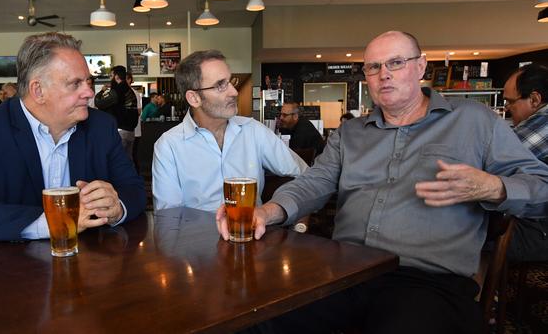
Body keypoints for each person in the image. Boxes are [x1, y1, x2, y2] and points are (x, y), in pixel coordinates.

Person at [216, 31, 548, 334]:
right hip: (342, 273)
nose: (383, 73)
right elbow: (314, 182)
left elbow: (541, 186)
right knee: (251, 320)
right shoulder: (351, 133)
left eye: (396, 63)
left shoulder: (474, 122)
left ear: (421, 67)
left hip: (427, 282)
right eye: (373, 67)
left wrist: (493, 187)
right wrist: (268, 211)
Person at [0, 32, 146, 242]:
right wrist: (56, 223)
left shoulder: (100, 126)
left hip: (90, 263)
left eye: (88, 81)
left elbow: (134, 190)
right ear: (38, 90)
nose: (89, 93)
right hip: (9, 267)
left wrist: (116, 207)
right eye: (75, 84)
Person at [152, 50, 307, 211]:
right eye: (220, 85)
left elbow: (307, 176)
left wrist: (279, 210)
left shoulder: (253, 131)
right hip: (197, 235)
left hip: (251, 233)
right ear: (194, 98)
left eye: (230, 82)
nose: (234, 92)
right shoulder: (169, 146)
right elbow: (169, 217)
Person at [503, 64, 548, 262]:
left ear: (535, 99)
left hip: (541, 230)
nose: (506, 108)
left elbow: (497, 157)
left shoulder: (544, 122)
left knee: (468, 235)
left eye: (510, 101)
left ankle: (479, 291)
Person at [96, 65, 138, 159]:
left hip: (121, 131)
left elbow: (99, 103)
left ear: (116, 76)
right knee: (128, 161)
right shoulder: (129, 90)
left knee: (117, 161)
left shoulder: (118, 91)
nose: (110, 78)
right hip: (130, 132)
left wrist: (101, 92)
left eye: (111, 75)